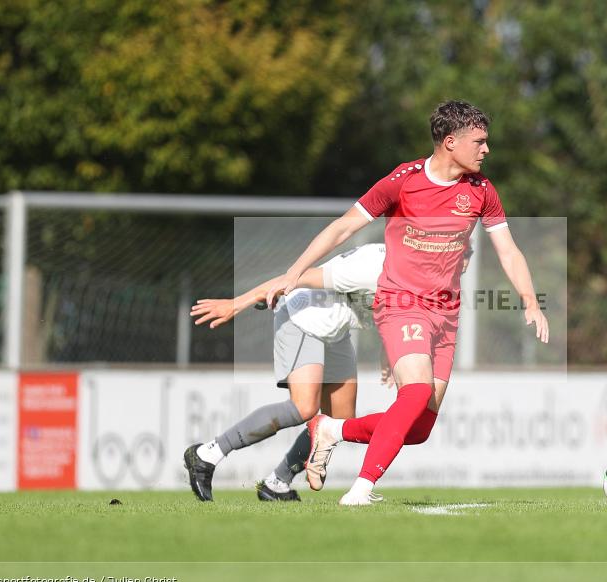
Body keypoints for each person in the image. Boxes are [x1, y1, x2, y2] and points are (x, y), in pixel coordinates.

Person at [265, 100, 549, 506]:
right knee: (413, 394)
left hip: (446, 315)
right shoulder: (404, 181)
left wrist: (529, 301)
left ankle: (330, 430)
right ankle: (361, 489)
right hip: (401, 303)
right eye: (479, 142)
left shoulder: (482, 191)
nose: (486, 150)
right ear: (450, 142)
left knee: (418, 429)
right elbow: (345, 225)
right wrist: (295, 271)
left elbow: (508, 250)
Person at [183, 243, 386, 502]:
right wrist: (237, 303)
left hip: (334, 328)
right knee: (303, 408)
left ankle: (277, 483)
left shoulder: (410, 270)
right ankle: (207, 454)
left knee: (339, 420)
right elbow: (294, 277)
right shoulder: (372, 265)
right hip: (303, 316)